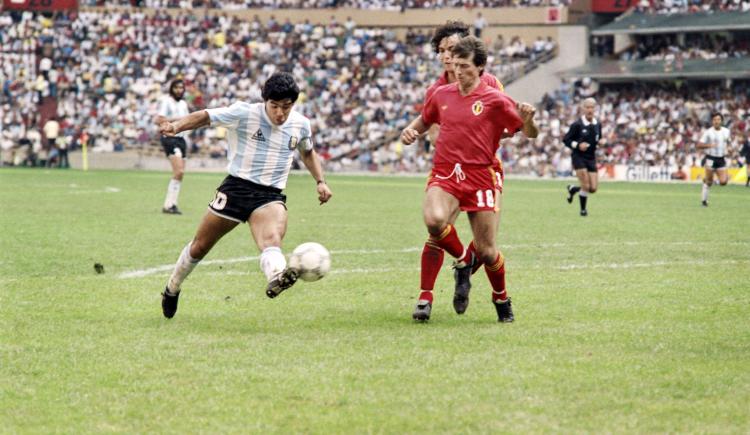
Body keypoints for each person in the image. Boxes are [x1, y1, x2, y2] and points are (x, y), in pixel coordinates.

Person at [157, 72, 333, 319]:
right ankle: (172, 287)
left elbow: (307, 152)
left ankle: (276, 276)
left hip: (269, 195)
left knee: (271, 239)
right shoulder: (245, 113)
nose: (280, 113)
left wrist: (320, 181)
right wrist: (176, 126)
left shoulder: (301, 124)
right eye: (275, 106)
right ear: (265, 101)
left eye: (286, 106)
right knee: (200, 246)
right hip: (236, 188)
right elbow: (205, 117)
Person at [401, 36, 538, 323]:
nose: (459, 71)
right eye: (456, 65)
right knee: (434, 220)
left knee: (487, 252)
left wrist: (527, 119)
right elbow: (425, 119)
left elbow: (527, 132)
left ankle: (501, 297)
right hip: (447, 172)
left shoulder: (495, 99)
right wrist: (411, 130)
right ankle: (463, 261)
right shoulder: (442, 95)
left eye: (465, 66)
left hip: (480, 176)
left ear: (480, 69)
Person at [155, 79, 190, 215]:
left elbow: (188, 121)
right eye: (176, 87)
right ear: (171, 89)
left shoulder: (183, 104)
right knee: (179, 171)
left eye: (181, 87)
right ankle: (169, 205)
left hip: (182, 139)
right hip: (170, 138)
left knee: (180, 174)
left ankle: (171, 204)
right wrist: (176, 119)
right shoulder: (166, 101)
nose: (179, 90)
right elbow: (158, 119)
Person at [563, 97, 603, 217]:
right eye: (587, 107)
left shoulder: (598, 124)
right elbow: (566, 139)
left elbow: (598, 138)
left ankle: (573, 189)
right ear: (583, 109)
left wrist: (600, 142)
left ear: (595, 108)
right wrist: (577, 145)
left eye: (592, 107)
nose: (590, 110)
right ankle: (583, 210)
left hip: (591, 157)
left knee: (593, 188)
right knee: (585, 185)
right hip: (578, 157)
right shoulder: (577, 125)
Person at [696, 112, 732, 206]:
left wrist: (729, 148)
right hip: (710, 158)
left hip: (721, 159)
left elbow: (728, 142)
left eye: (718, 119)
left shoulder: (726, 131)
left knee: (723, 182)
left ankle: (708, 179)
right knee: (709, 182)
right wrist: (709, 145)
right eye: (715, 120)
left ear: (721, 121)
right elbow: (699, 145)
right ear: (712, 121)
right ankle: (704, 201)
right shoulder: (708, 132)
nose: (716, 121)